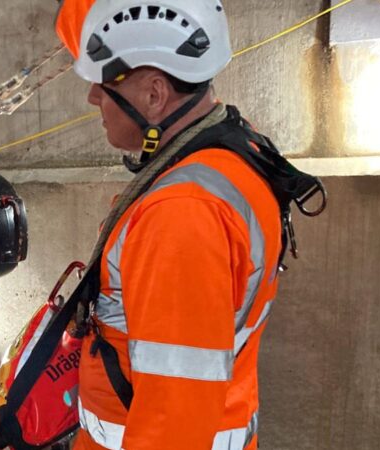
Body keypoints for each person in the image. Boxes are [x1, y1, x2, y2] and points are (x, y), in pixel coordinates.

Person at [54, 1, 322, 449]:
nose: (93, 98)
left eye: (103, 85)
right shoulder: (226, 151)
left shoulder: (182, 213)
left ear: (154, 95)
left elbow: (173, 424)